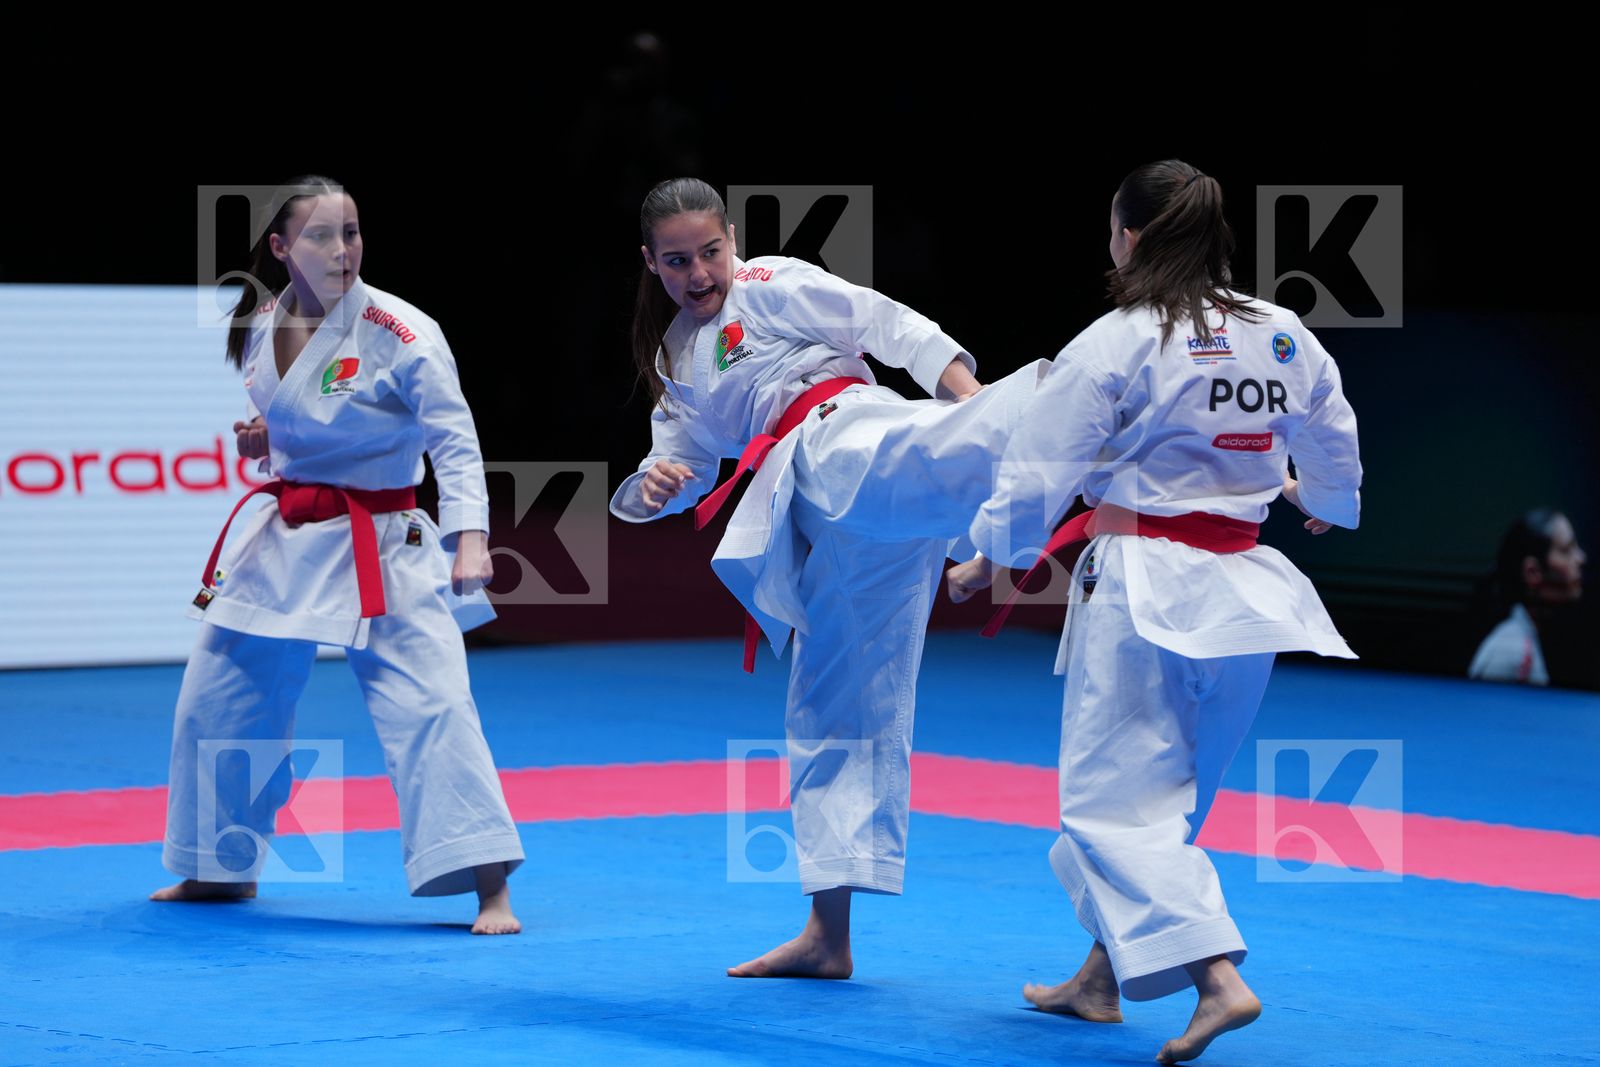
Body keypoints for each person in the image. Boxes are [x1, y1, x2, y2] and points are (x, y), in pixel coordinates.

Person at [947, 160, 1362, 1063]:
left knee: (1108, 805)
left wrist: (991, 551)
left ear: (1128, 237)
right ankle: (1100, 980)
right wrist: (1323, 493)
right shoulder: (1281, 334)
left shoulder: (1118, 339)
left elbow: (1037, 466)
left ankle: (1218, 978)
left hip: (1144, 585)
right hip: (1247, 594)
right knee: (1164, 802)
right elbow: (1332, 427)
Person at [612, 177, 1045, 979]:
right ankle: (828, 934)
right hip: (818, 521)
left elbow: (888, 324)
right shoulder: (673, 355)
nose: (701, 273)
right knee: (831, 706)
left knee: (893, 454)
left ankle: (1041, 419)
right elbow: (676, 462)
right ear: (651, 263)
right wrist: (654, 484)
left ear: (732, 237)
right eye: (678, 262)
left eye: (711, 251)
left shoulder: (770, 283)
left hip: (842, 427)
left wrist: (974, 399)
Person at [150, 176, 524, 935]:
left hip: (382, 540)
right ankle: (217, 868)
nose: (342, 249)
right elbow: (294, 419)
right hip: (288, 531)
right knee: (217, 693)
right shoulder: (262, 321)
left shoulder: (401, 330)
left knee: (433, 703)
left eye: (352, 231)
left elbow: (454, 438)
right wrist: (266, 439)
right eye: (323, 235)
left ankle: (490, 885)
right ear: (282, 248)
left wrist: (472, 537)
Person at [1469, 509, 1587, 685]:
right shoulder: (1513, 652)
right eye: (1566, 550)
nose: (1581, 558)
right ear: (1532, 572)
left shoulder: (1528, 642)